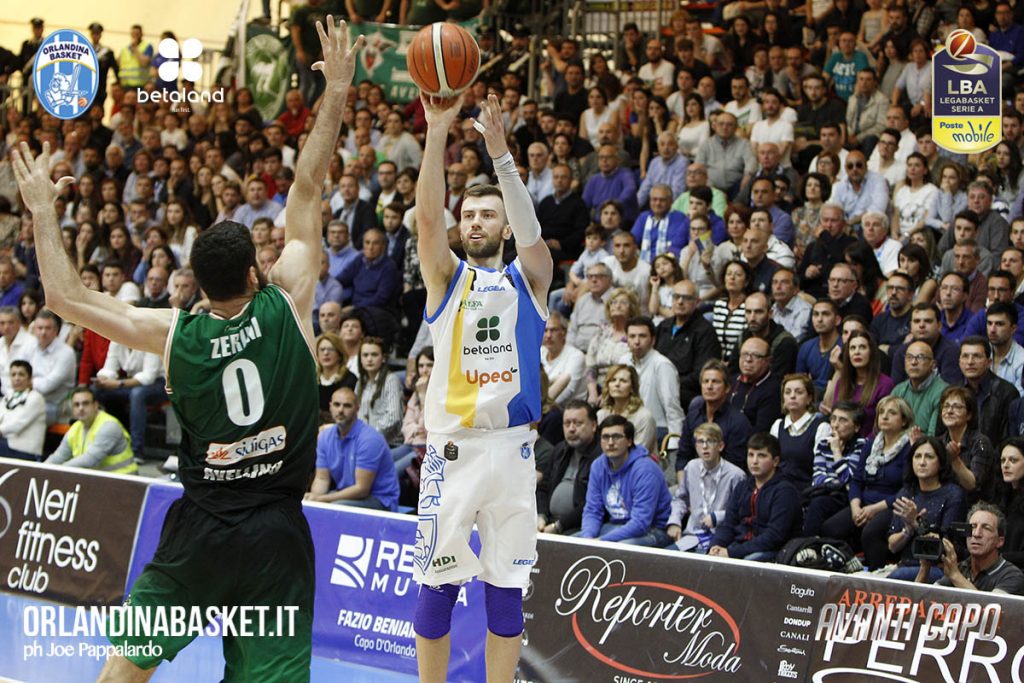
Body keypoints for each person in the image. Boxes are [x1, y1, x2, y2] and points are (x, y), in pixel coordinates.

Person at [12, 17, 363, 678]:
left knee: (123, 669)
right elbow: (310, 185)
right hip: (277, 540)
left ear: (196, 286)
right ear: (257, 272)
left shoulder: (174, 334)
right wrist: (337, 89)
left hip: (200, 532)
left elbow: (63, 297)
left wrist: (39, 208)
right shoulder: (288, 301)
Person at [412, 91, 553, 681]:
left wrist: (500, 160)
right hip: (454, 452)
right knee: (437, 583)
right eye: (468, 214)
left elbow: (532, 234)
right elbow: (426, 218)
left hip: (514, 450)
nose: (474, 221)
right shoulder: (445, 277)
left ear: (503, 224)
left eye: (486, 214)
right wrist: (438, 130)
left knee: (507, 587)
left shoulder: (533, 278)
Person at [822, 396, 915, 569]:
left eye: (892, 413)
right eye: (881, 413)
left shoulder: (908, 449)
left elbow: (908, 488)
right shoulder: (871, 445)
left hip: (891, 505)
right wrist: (855, 507)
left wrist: (874, 509)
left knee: (871, 532)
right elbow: (857, 481)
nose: (884, 417)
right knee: (831, 527)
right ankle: (848, 567)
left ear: (904, 421)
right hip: (864, 503)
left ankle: (875, 573)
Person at [578, 415, 673, 546]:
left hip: (652, 530)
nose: (610, 442)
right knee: (570, 544)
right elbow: (592, 510)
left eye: (616, 437)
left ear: (629, 441)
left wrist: (601, 542)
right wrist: (587, 538)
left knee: (620, 549)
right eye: (605, 437)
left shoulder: (645, 470)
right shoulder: (598, 466)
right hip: (614, 526)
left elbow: (641, 523)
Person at [709, 432, 802, 561]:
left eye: (761, 456)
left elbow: (774, 536)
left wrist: (732, 552)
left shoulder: (785, 491)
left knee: (748, 562)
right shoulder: (742, 487)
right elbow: (728, 524)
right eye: (750, 455)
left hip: (773, 552)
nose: (754, 461)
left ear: (775, 461)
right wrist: (716, 545)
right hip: (740, 546)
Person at [887, 437, 967, 582]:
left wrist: (916, 522)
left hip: (939, 568)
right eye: (917, 456)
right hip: (905, 565)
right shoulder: (906, 493)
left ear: (941, 462)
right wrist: (908, 530)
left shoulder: (953, 494)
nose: (922, 462)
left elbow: (946, 546)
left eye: (929, 457)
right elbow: (892, 546)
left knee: (896, 578)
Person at [307, 386, 401, 510]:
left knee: (336, 507)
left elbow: (362, 489)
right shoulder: (325, 436)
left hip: (380, 500)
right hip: (345, 494)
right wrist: (313, 500)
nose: (340, 410)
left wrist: (321, 499)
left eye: (347, 406)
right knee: (310, 503)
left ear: (357, 408)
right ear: (330, 406)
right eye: (336, 404)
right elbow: (322, 478)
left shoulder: (369, 439)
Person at [667, 422, 746, 552]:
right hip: (692, 536)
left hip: (719, 540)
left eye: (710, 441)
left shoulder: (736, 475)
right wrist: (675, 521)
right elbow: (681, 498)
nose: (704, 446)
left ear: (720, 446)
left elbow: (740, 514)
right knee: (662, 561)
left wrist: (717, 517)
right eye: (700, 441)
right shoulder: (691, 467)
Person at [918, 503, 1024, 595]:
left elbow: (991, 611)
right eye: (972, 527)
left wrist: (955, 576)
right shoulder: (962, 568)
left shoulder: (1012, 576)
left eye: (986, 528)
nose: (976, 534)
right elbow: (919, 601)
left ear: (1000, 541)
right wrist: (924, 567)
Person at [536, 400, 602, 535]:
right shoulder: (560, 450)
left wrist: (558, 526)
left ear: (594, 425)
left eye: (578, 423)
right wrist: (541, 516)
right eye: (567, 424)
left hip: (578, 526)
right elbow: (543, 488)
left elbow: (592, 503)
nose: (571, 429)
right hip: (548, 522)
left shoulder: (601, 457)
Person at [804, 402, 868, 536]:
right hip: (826, 492)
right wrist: (837, 483)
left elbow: (850, 481)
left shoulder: (862, 446)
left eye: (843, 420)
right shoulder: (823, 443)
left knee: (818, 504)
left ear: (856, 427)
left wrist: (836, 451)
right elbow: (817, 478)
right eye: (833, 419)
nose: (835, 424)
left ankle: (809, 546)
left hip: (849, 499)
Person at [44, 386, 137, 474]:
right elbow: (58, 457)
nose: (81, 408)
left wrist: (60, 470)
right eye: (76, 405)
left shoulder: (109, 426)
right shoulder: (74, 429)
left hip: (124, 480)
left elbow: (90, 459)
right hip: (100, 482)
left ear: (95, 405)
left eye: (85, 403)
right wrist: (40, 470)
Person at [770, 373, 828, 491]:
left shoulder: (821, 427)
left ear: (809, 398)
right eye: (787, 392)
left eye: (799, 392)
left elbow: (821, 469)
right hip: (777, 487)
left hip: (806, 490)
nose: (792, 396)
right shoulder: (777, 425)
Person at [891, 340, 949, 436]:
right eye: (909, 357)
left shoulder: (943, 392)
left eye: (920, 357)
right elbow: (890, 429)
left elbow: (933, 435)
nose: (914, 362)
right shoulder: (898, 391)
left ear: (933, 364)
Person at [0, 360, 46, 460]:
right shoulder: (7, 397)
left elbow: (17, 425)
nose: (17, 378)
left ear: (29, 379)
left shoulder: (36, 398)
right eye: (13, 375)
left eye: (21, 374)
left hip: (25, 451)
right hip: (6, 445)